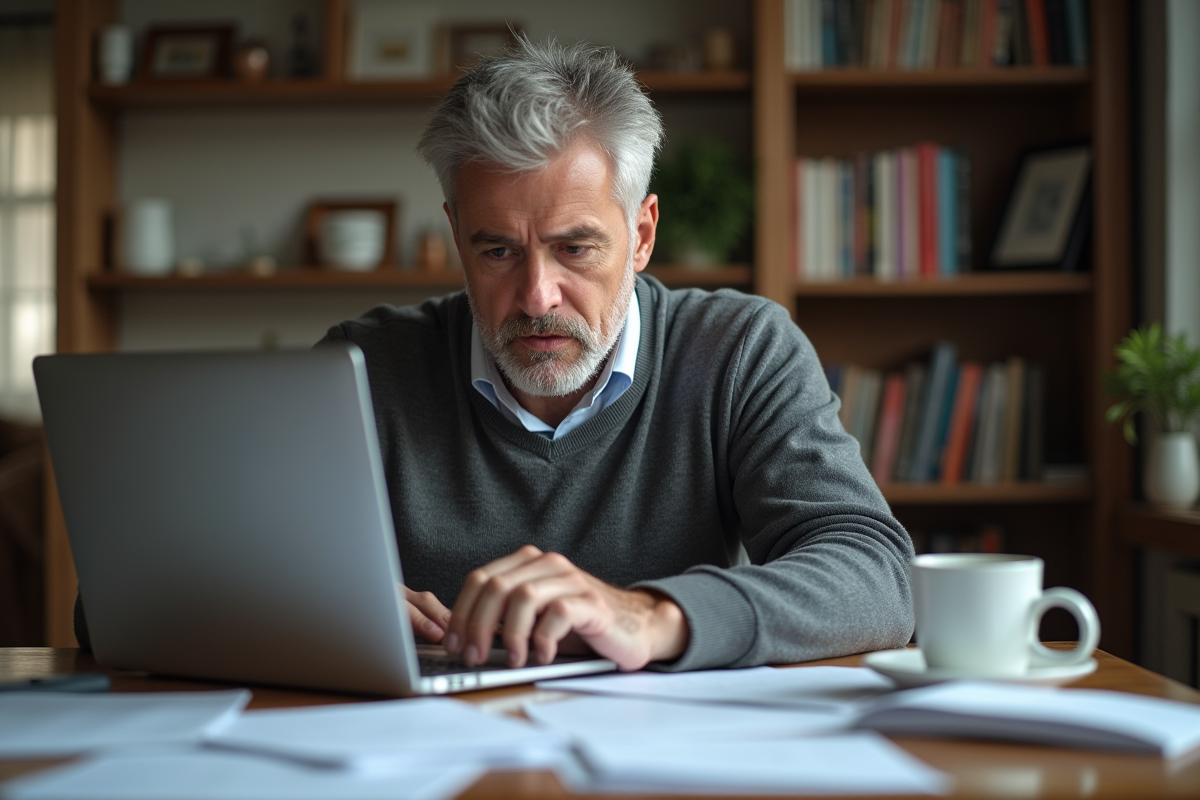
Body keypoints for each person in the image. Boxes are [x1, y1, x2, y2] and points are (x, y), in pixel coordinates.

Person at [319, 37, 915, 674]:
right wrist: (321, 600)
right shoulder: (359, 368)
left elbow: (875, 573)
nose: (536, 297)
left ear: (642, 235)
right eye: (497, 252)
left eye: (575, 249)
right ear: (457, 237)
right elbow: (228, 566)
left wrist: (651, 617)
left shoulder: (740, 350)